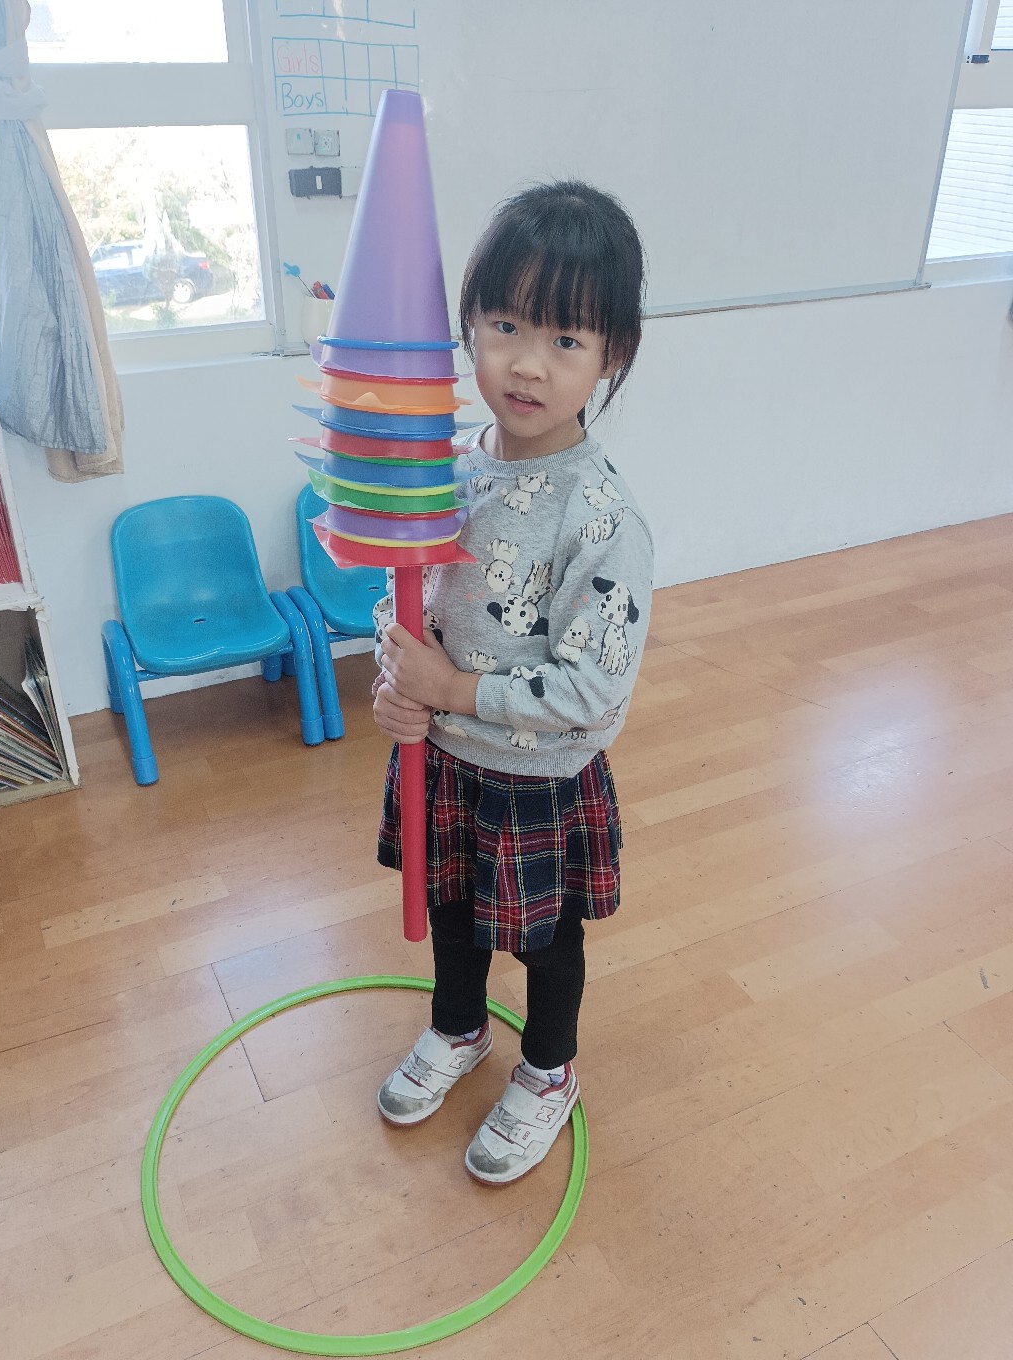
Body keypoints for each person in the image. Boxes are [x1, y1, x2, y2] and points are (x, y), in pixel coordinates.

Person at [372, 180, 652, 1184]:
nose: (528, 363)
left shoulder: (602, 519)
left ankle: (548, 1067)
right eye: (505, 326)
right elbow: (404, 600)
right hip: (445, 760)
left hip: (537, 778)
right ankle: (457, 1027)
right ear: (469, 328)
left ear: (611, 355)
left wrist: (452, 690)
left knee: (542, 941)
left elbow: (591, 694)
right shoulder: (446, 470)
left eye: (566, 339)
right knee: (451, 911)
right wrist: (395, 675)